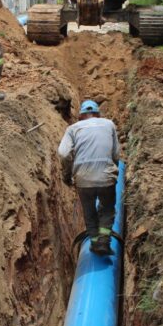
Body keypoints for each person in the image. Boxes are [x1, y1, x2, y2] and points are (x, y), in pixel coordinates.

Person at [57, 100, 120, 256]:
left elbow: (63, 154)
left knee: (89, 210)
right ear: (98, 114)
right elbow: (116, 154)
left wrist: (67, 175)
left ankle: (94, 241)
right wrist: (113, 171)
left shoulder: (72, 129)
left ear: (80, 116)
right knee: (107, 209)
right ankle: (104, 241)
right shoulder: (109, 124)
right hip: (106, 176)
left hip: (83, 178)